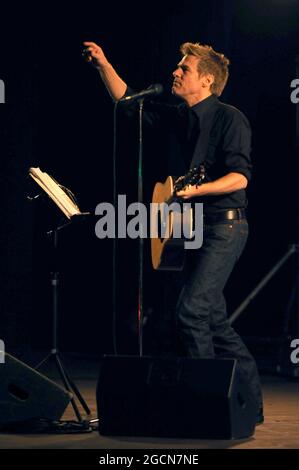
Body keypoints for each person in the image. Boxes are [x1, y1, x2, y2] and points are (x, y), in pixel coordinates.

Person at [83, 40, 264, 424]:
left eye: (184, 69)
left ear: (207, 79)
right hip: (191, 228)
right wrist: (103, 64)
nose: (175, 73)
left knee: (191, 312)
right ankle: (249, 402)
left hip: (224, 227)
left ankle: (208, 408)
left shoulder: (230, 117)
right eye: (177, 68)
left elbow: (240, 177)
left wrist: (199, 189)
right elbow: (128, 101)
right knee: (214, 321)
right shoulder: (179, 115)